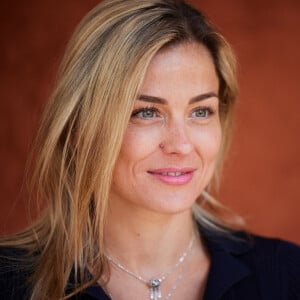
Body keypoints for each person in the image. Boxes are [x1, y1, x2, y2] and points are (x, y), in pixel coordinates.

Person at [0, 0, 299, 299]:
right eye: (146, 112)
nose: (181, 145)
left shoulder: (287, 275)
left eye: (201, 111)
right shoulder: (8, 283)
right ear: (80, 128)